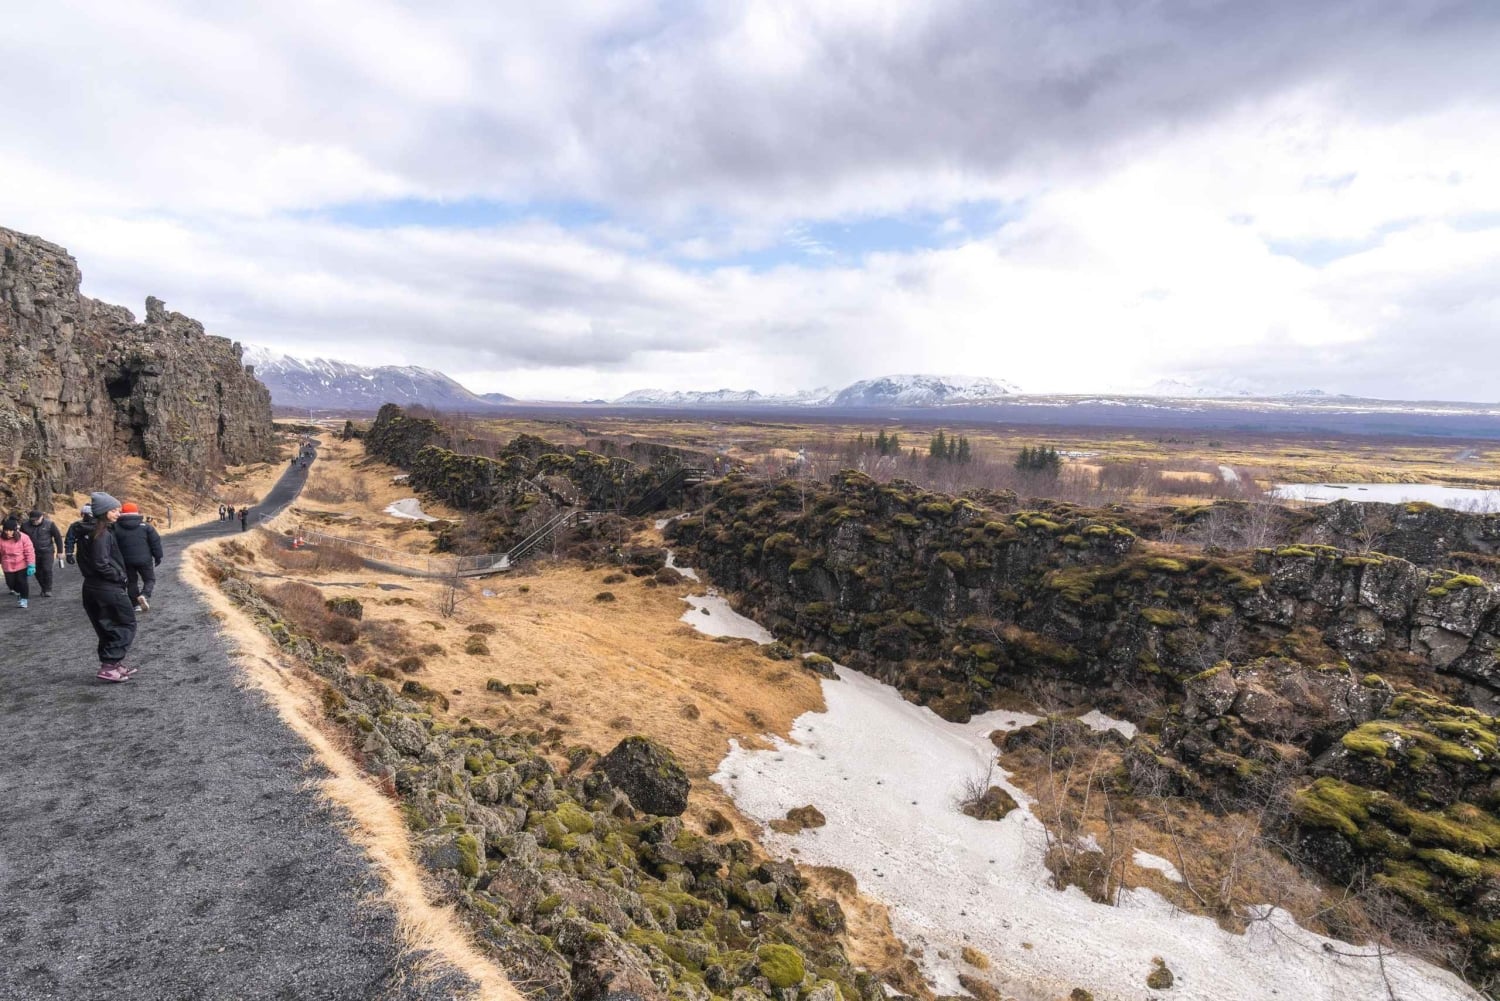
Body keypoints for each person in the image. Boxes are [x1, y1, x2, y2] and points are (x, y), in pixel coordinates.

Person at [78, 492, 137, 683]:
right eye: (113, 510)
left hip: (92, 587)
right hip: (107, 588)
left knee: (106, 626)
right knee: (127, 623)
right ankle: (110, 665)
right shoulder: (101, 534)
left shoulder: (87, 531)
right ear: (103, 511)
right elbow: (101, 563)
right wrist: (119, 577)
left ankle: (113, 664)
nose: (118, 514)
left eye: (118, 510)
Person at [114, 502, 163, 612]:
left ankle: (136, 605)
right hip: (144, 559)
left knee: (131, 582)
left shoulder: (115, 527)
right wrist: (158, 556)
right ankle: (144, 595)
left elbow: (112, 545)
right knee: (149, 579)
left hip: (125, 561)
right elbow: (155, 542)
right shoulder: (146, 527)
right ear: (137, 512)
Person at [19, 509, 63, 597]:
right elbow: (20, 539)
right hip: (32, 553)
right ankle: (44, 587)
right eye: (32, 520)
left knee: (47, 569)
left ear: (42, 517)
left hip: (47, 551)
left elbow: (57, 537)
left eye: (36, 519)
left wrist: (60, 551)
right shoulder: (24, 526)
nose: (34, 521)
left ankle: (48, 589)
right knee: (37, 572)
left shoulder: (50, 524)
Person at [0, 517, 37, 608]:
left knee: (22, 581)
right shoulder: (1, 539)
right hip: (7, 564)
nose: (7, 532)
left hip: (21, 563)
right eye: (5, 530)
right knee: (11, 584)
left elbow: (29, 551)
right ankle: (19, 592)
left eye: (10, 530)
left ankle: (24, 599)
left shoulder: (24, 537)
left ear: (15, 530)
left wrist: (31, 564)